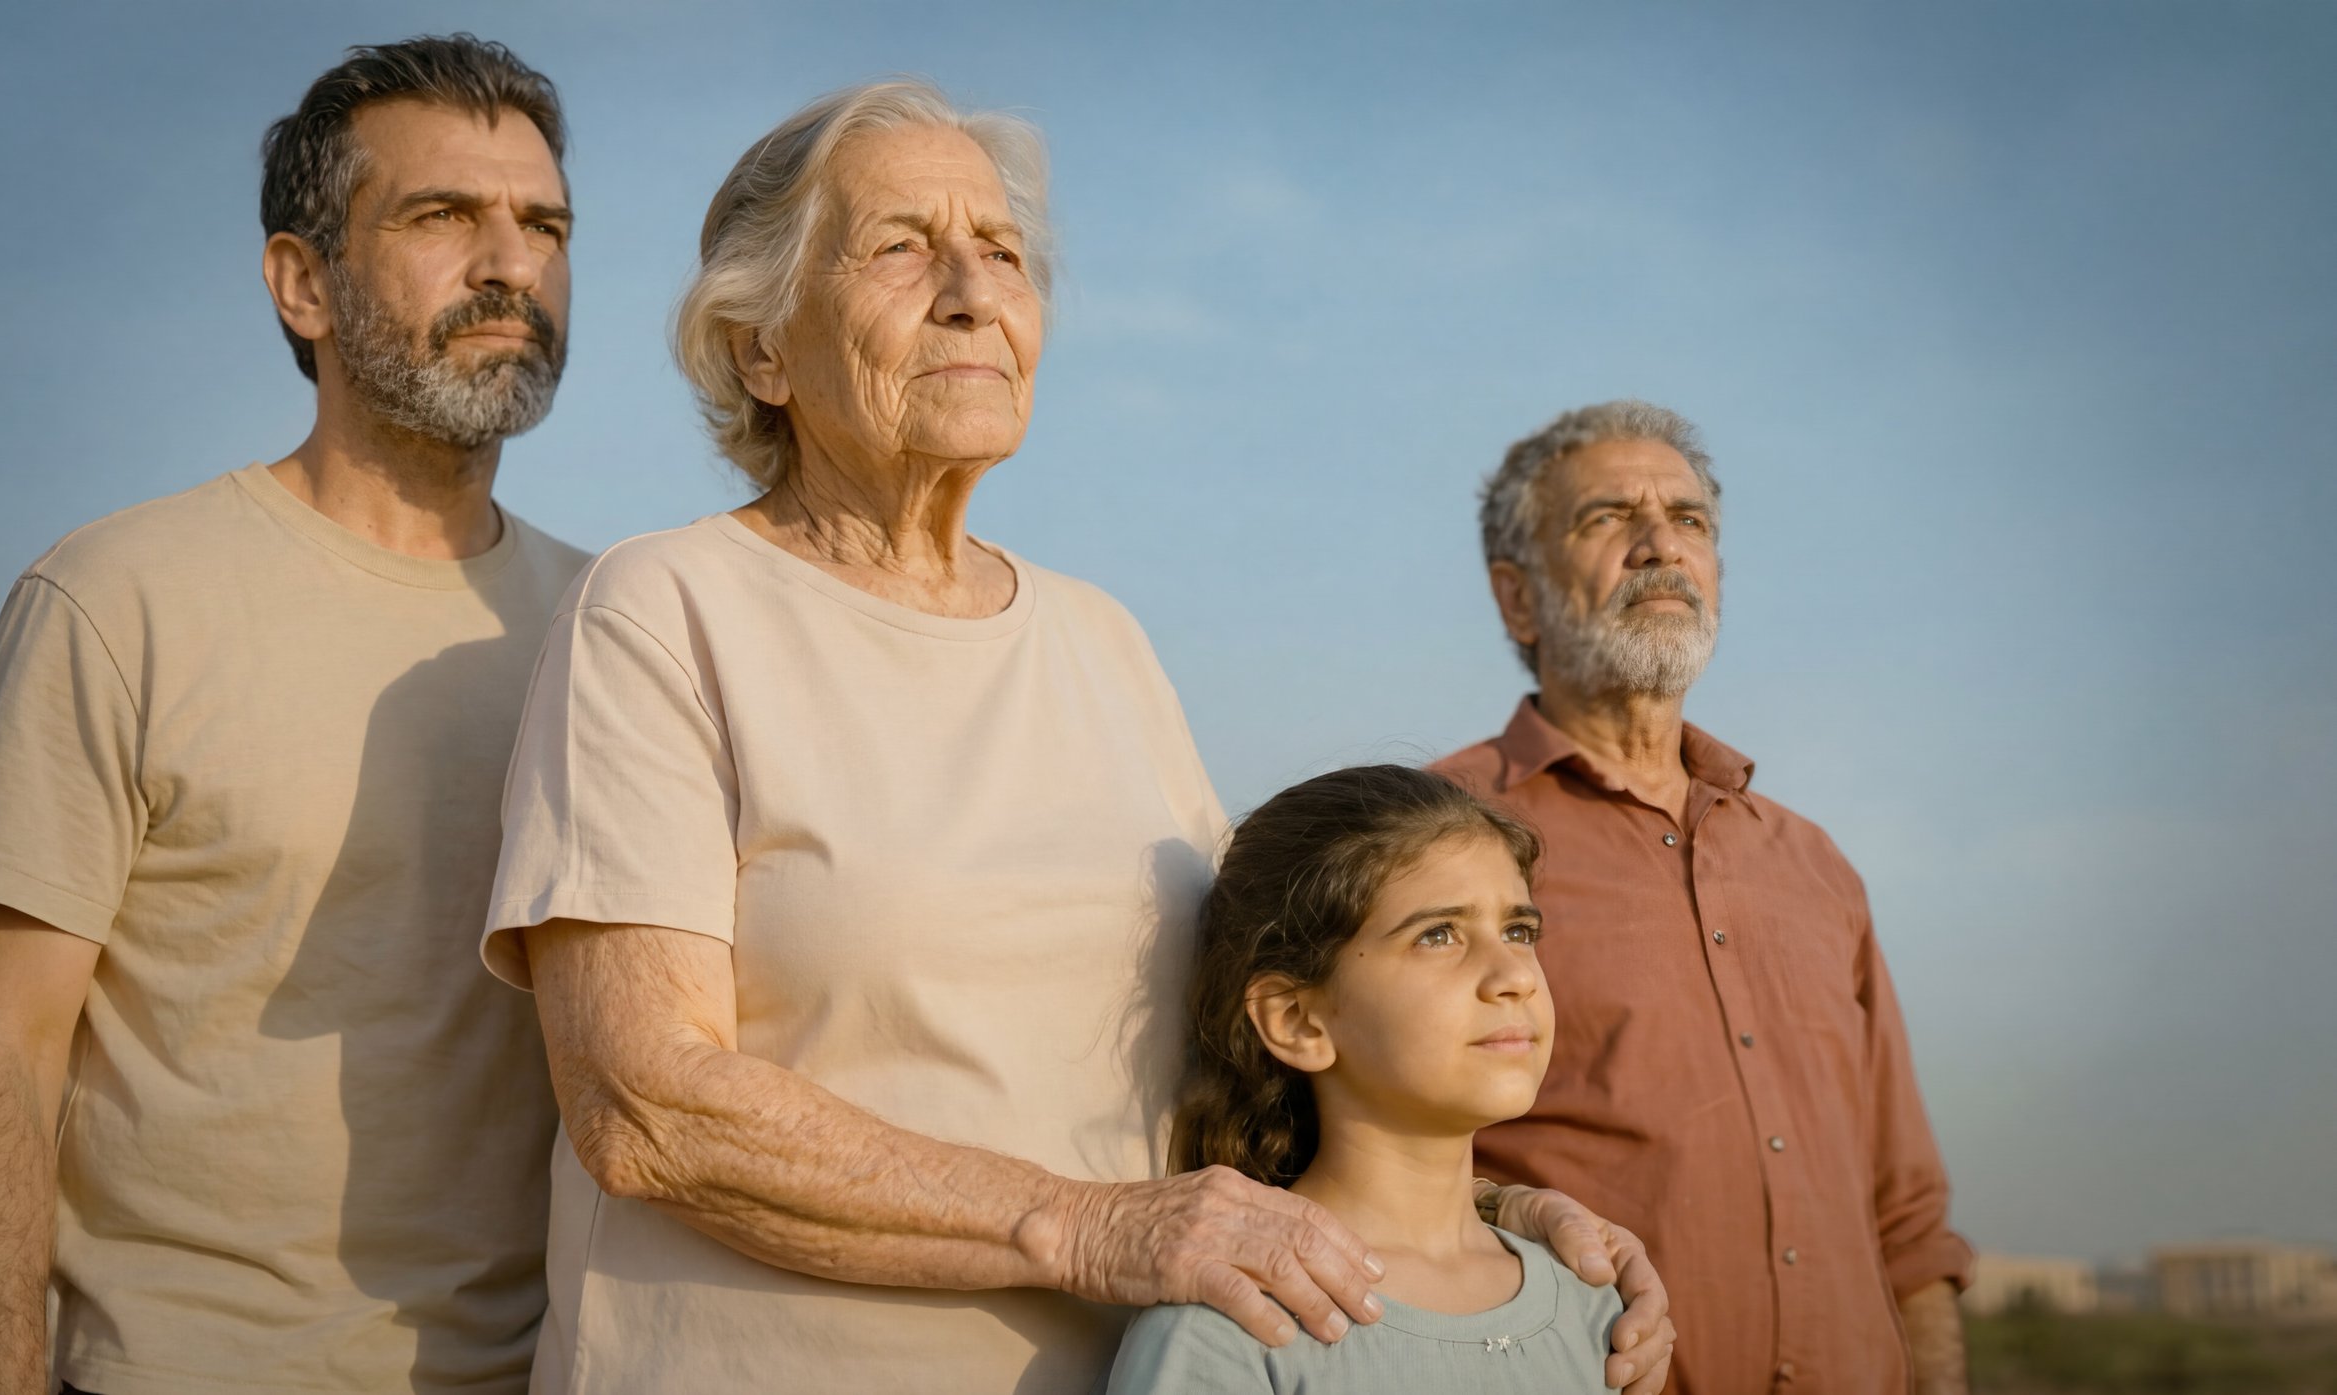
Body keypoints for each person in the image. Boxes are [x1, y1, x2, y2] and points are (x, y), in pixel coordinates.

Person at [480, 81, 1675, 1395]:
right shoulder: (663, 609)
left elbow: (1268, 1043)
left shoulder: (1101, 639)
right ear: (762, 348)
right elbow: (646, 1103)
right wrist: (1087, 1222)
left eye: (1001, 253)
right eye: (898, 247)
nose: (972, 293)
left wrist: (1489, 1226)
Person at [0, 36, 589, 1394]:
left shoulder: (612, 629)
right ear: (301, 283)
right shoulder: (119, 596)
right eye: (443, 216)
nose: (510, 262)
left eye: (543, 224)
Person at [1430, 400, 1973, 1394]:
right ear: (1517, 600)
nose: (1657, 547)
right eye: (1604, 520)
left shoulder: (1813, 866)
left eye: (1688, 521)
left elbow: (1905, 1218)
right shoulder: (1427, 836)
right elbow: (1342, 1162)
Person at [1108, 765, 1625, 1393]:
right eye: (1439, 935)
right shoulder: (1236, 1318)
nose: (1513, 975)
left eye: (1519, 931)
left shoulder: (1595, 1304)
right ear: (1298, 1020)